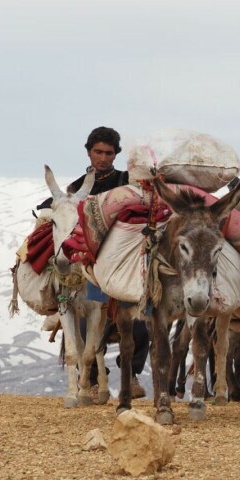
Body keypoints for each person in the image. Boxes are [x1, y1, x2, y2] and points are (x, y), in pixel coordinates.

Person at [38, 126, 149, 399]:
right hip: (88, 262)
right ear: (89, 152)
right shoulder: (75, 187)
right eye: (98, 152)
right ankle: (94, 378)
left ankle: (131, 373)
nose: (103, 157)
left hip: (124, 260)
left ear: (116, 155)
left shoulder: (127, 181)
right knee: (85, 323)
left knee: (140, 322)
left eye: (109, 153)